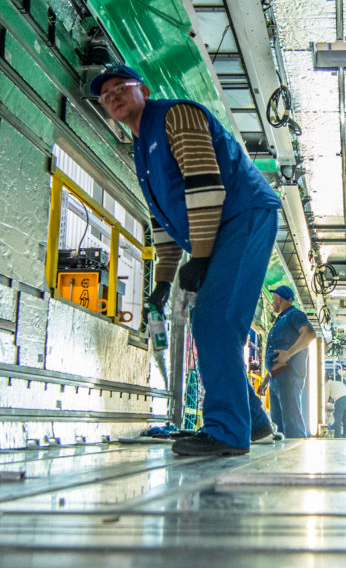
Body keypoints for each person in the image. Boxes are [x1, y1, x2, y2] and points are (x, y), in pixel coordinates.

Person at [92, 65, 280, 457]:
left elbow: (205, 183)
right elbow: (164, 223)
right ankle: (254, 420)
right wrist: (162, 282)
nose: (112, 97)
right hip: (217, 227)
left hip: (242, 214)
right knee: (210, 319)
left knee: (215, 318)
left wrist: (202, 258)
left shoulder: (177, 116)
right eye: (105, 95)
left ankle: (228, 432)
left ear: (143, 89)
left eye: (120, 88)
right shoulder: (141, 150)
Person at [264, 283, 316, 439]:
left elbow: (310, 333)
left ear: (280, 299)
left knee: (291, 421)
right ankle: (281, 458)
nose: (272, 303)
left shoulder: (294, 315)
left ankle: (296, 453)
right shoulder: (279, 320)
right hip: (276, 377)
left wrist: (289, 353)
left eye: (273, 299)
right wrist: (266, 380)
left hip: (288, 375)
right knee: (278, 423)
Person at [324, 367, 346, 439]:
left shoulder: (327, 384)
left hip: (340, 399)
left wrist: (323, 405)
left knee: (338, 419)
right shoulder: (336, 382)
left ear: (324, 380)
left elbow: (326, 397)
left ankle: (338, 436)